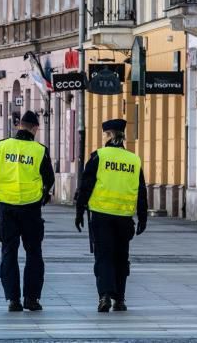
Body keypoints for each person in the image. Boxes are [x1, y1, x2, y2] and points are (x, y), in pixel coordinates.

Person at [0, 110, 54, 312]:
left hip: (7, 208)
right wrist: (44, 196)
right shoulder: (40, 150)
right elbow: (49, 179)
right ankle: (31, 299)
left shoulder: (3, 146)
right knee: (34, 253)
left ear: (19, 126)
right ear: (35, 128)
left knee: (9, 252)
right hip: (31, 209)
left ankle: (13, 299)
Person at [75, 118, 147, 313]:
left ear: (108, 135)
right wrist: (143, 216)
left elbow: (86, 186)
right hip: (124, 217)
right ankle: (120, 299)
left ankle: (105, 295)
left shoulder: (98, 156)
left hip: (101, 215)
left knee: (104, 257)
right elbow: (141, 190)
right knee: (121, 257)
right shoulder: (133, 160)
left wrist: (79, 210)